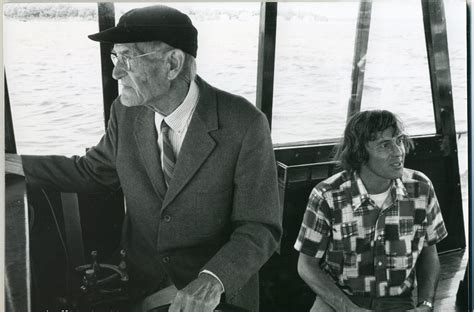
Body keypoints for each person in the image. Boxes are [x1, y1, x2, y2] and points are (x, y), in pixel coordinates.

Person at [5, 5, 282, 312]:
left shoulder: (244, 124)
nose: (116, 71)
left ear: (173, 63)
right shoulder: (124, 113)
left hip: (213, 294)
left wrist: (212, 280)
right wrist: (12, 164)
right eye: (115, 56)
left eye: (128, 58)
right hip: (142, 284)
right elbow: (92, 172)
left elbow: (259, 227)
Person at [294, 110, 447, 312]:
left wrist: (426, 305)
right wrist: (349, 309)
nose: (398, 151)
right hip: (338, 300)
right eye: (385, 145)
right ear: (360, 153)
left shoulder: (421, 188)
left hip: (398, 301)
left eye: (399, 140)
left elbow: (429, 253)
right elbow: (306, 265)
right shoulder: (327, 195)